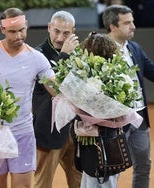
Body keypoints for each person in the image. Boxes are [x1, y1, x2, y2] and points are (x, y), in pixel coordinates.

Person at [0, 7, 55, 188]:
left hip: (23, 134)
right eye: (12, 31)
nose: (18, 36)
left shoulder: (37, 59)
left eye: (22, 30)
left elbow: (55, 90)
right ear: (2, 30)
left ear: (27, 26)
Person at [102, 4, 154, 188]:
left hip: (139, 118)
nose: (133, 26)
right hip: (114, 121)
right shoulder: (100, 50)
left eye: (132, 22)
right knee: (112, 169)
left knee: (143, 165)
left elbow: (151, 70)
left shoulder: (134, 47)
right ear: (112, 26)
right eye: (127, 23)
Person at [32, 11, 81, 188]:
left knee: (79, 181)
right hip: (48, 132)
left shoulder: (78, 54)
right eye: (56, 31)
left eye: (66, 33)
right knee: (43, 183)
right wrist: (65, 56)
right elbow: (56, 89)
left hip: (76, 131)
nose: (60, 38)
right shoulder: (37, 55)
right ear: (49, 28)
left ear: (73, 32)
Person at [74, 32, 124, 188]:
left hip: (97, 142)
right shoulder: (118, 75)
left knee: (93, 180)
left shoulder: (85, 76)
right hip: (109, 140)